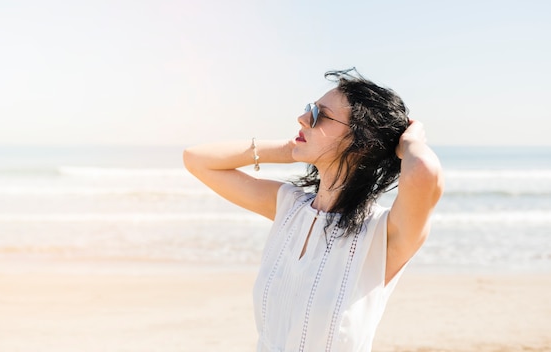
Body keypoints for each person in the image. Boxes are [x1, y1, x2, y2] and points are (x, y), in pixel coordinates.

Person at [182, 67, 444, 352]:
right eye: (310, 109)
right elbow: (197, 159)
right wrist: (290, 149)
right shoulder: (288, 207)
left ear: (361, 142)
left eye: (319, 115)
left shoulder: (383, 236)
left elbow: (424, 172)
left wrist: (410, 142)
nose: (302, 118)